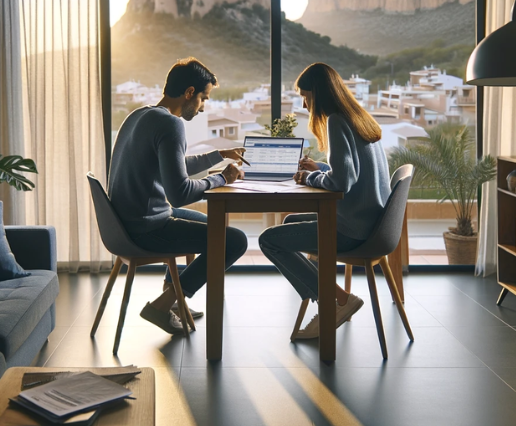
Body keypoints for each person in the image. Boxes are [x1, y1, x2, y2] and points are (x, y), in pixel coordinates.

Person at [108, 57, 248, 335]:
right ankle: (165, 303)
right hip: (145, 228)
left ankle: (171, 290)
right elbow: (180, 193)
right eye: (203, 98)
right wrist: (222, 178)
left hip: (125, 223)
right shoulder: (172, 125)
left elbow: (175, 165)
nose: (203, 106)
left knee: (206, 223)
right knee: (233, 240)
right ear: (189, 93)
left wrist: (219, 155)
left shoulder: (140, 115)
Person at [259, 62, 391, 339]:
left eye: (306, 98)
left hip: (354, 230)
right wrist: (319, 169)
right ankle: (329, 297)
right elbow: (354, 171)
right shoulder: (358, 117)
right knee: (291, 221)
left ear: (318, 95)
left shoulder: (337, 121)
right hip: (374, 224)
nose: (305, 107)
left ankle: (336, 300)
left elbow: (342, 182)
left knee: (269, 240)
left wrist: (307, 179)